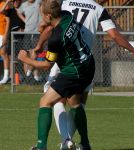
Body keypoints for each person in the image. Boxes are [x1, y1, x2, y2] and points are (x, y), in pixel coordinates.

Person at [31, 0, 134, 149]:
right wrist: (133, 51)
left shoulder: (66, 5)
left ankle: (65, 141)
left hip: (65, 61)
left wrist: (37, 47)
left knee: (53, 101)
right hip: (86, 61)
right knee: (76, 102)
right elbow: (113, 35)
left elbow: (49, 30)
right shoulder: (98, 9)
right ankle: (81, 143)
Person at [18, 0, 95, 150]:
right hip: (87, 64)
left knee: (45, 102)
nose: (41, 19)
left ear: (48, 15)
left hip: (73, 72)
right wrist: (43, 32)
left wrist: (25, 59)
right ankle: (85, 144)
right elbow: (51, 28)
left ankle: (41, 146)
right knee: (75, 103)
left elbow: (47, 65)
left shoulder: (56, 38)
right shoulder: (68, 15)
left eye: (42, 16)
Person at [17, 0, 42, 82]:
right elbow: (18, 12)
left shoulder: (38, 2)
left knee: (35, 53)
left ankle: (35, 75)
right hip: (27, 31)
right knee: (25, 53)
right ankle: (28, 77)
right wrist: (25, 20)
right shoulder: (23, 5)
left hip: (37, 32)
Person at [0, 0, 10, 84]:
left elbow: (8, 20)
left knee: (3, 53)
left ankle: (6, 76)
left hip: (2, 33)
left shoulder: (3, 4)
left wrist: (5, 35)